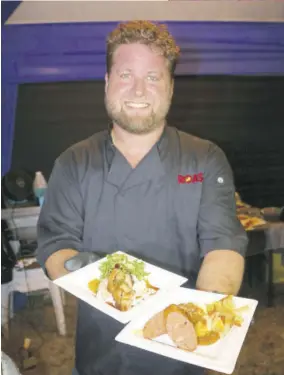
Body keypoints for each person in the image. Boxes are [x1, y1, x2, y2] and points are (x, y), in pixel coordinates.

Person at [37, 20, 248, 375]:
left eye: (152, 77)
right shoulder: (74, 161)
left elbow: (223, 245)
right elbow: (55, 245)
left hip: (182, 358)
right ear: (106, 82)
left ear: (170, 87)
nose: (138, 90)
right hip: (101, 354)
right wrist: (91, 274)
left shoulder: (205, 157)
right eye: (125, 75)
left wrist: (198, 315)